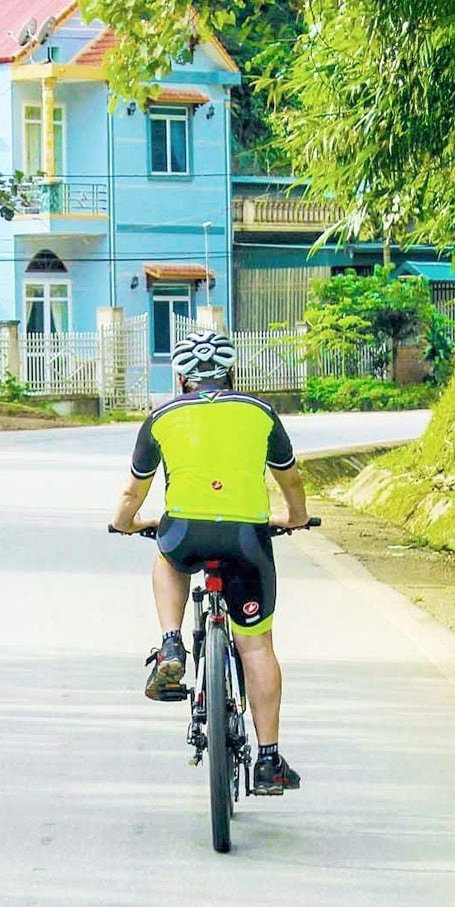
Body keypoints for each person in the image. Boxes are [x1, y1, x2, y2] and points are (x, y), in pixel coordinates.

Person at [111, 329, 312, 794]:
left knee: (168, 553)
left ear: (181, 378)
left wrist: (126, 523)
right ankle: (268, 760)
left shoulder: (161, 417)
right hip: (246, 539)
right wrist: (296, 518)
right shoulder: (260, 412)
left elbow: (132, 492)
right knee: (256, 647)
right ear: (231, 373)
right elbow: (292, 481)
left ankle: (171, 643)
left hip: (187, 533)